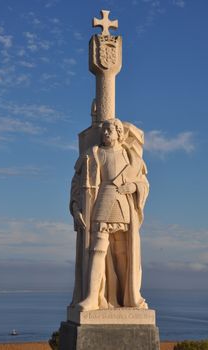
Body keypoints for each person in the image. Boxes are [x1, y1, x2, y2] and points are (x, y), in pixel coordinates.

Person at [70, 118, 149, 311]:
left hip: (123, 205)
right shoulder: (93, 154)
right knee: (97, 249)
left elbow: (143, 183)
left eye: (110, 131)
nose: (105, 134)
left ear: (119, 133)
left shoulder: (131, 157)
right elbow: (77, 183)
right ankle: (91, 298)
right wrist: (75, 205)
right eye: (104, 130)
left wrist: (133, 186)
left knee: (123, 253)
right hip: (102, 202)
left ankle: (127, 297)